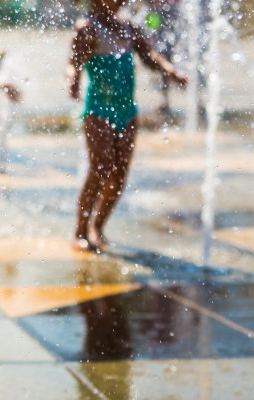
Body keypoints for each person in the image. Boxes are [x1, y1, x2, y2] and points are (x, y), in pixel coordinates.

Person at [68, 0, 187, 252]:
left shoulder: (128, 26)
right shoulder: (87, 27)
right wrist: (73, 79)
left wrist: (170, 70)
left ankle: (98, 227)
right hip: (98, 110)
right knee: (100, 168)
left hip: (127, 111)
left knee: (119, 174)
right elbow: (74, 61)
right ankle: (80, 230)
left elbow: (149, 56)